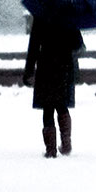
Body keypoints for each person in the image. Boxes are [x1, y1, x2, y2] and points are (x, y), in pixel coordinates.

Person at [22, 14, 83, 158]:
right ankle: (66, 143)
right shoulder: (68, 15)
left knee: (48, 107)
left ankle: (51, 150)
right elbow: (78, 43)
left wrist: (29, 71)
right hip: (64, 65)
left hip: (46, 65)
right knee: (62, 104)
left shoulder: (41, 16)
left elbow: (34, 45)